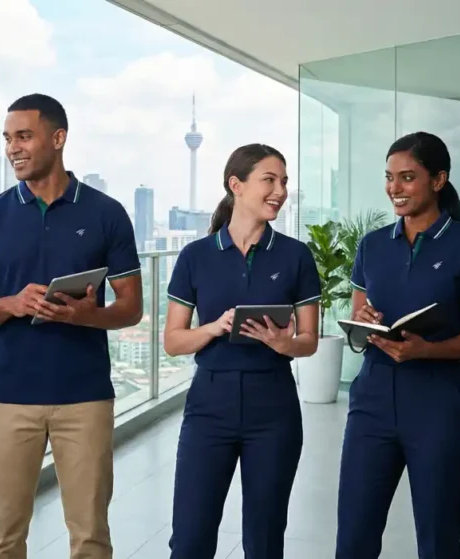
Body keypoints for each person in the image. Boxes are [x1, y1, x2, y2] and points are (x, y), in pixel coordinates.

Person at [0, 93, 143, 559]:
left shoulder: (106, 213)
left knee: (91, 538)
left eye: (23, 136)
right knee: (2, 539)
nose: (12, 148)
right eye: (6, 138)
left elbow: (132, 308)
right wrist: (12, 304)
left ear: (58, 139)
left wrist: (86, 316)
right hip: (8, 397)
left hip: (85, 397)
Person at [335, 132, 460, 559]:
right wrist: (365, 324)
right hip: (371, 400)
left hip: (437, 404)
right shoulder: (371, 245)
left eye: (407, 177)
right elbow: (358, 323)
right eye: (389, 177)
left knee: (439, 539)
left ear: (438, 179)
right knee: (353, 536)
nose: (395, 188)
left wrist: (425, 350)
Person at [163, 144, 320, 559]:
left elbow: (309, 340)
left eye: (284, 181)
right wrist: (214, 327)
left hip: (274, 405)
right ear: (236, 185)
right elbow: (173, 341)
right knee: (190, 538)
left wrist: (284, 343)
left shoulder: (296, 256)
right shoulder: (194, 256)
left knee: (265, 540)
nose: (281, 190)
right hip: (209, 406)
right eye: (270, 180)